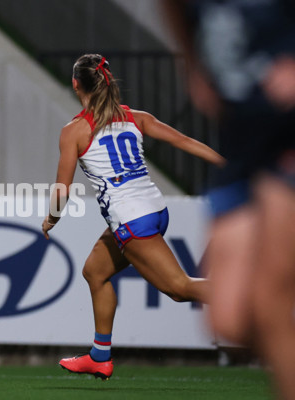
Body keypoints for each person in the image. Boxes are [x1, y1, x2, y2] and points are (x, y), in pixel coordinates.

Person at [41, 54, 225, 380]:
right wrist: (225, 164)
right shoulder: (134, 117)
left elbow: (62, 190)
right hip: (154, 211)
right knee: (95, 272)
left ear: (75, 84)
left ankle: (264, 300)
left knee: (179, 288)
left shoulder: (75, 130)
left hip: (131, 221)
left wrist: (51, 220)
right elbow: (183, 141)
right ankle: (100, 355)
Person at [161, 1, 295, 398]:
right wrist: (193, 66)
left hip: (285, 141)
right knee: (229, 319)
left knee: (271, 301)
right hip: (241, 147)